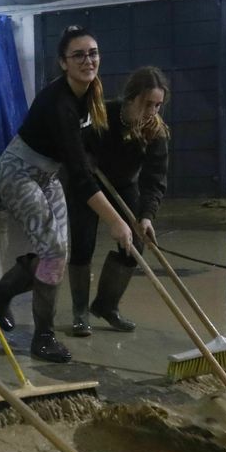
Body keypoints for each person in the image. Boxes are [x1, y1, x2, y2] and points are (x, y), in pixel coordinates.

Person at [0, 25, 133, 363]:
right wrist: (116, 222)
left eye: (93, 53)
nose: (88, 60)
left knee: (58, 254)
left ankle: (3, 290)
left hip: (47, 175)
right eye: (78, 55)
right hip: (18, 172)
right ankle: (43, 337)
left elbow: (81, 144)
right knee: (52, 251)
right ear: (63, 62)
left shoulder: (90, 92)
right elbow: (80, 178)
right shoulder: (58, 102)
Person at [68, 67, 169, 336]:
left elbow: (155, 178)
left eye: (158, 105)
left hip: (124, 184)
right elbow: (74, 142)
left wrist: (147, 215)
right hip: (88, 184)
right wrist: (84, 155)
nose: (153, 111)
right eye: (148, 104)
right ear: (131, 97)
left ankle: (106, 306)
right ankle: (80, 313)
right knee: (83, 242)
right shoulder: (103, 114)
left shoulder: (155, 131)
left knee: (135, 243)